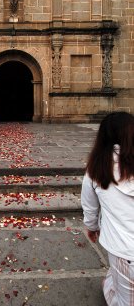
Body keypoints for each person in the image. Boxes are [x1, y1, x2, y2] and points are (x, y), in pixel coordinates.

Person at [81, 112, 134, 306]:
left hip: (125, 253)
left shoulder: (97, 169)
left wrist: (92, 227)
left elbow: (89, 206)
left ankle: (111, 285)